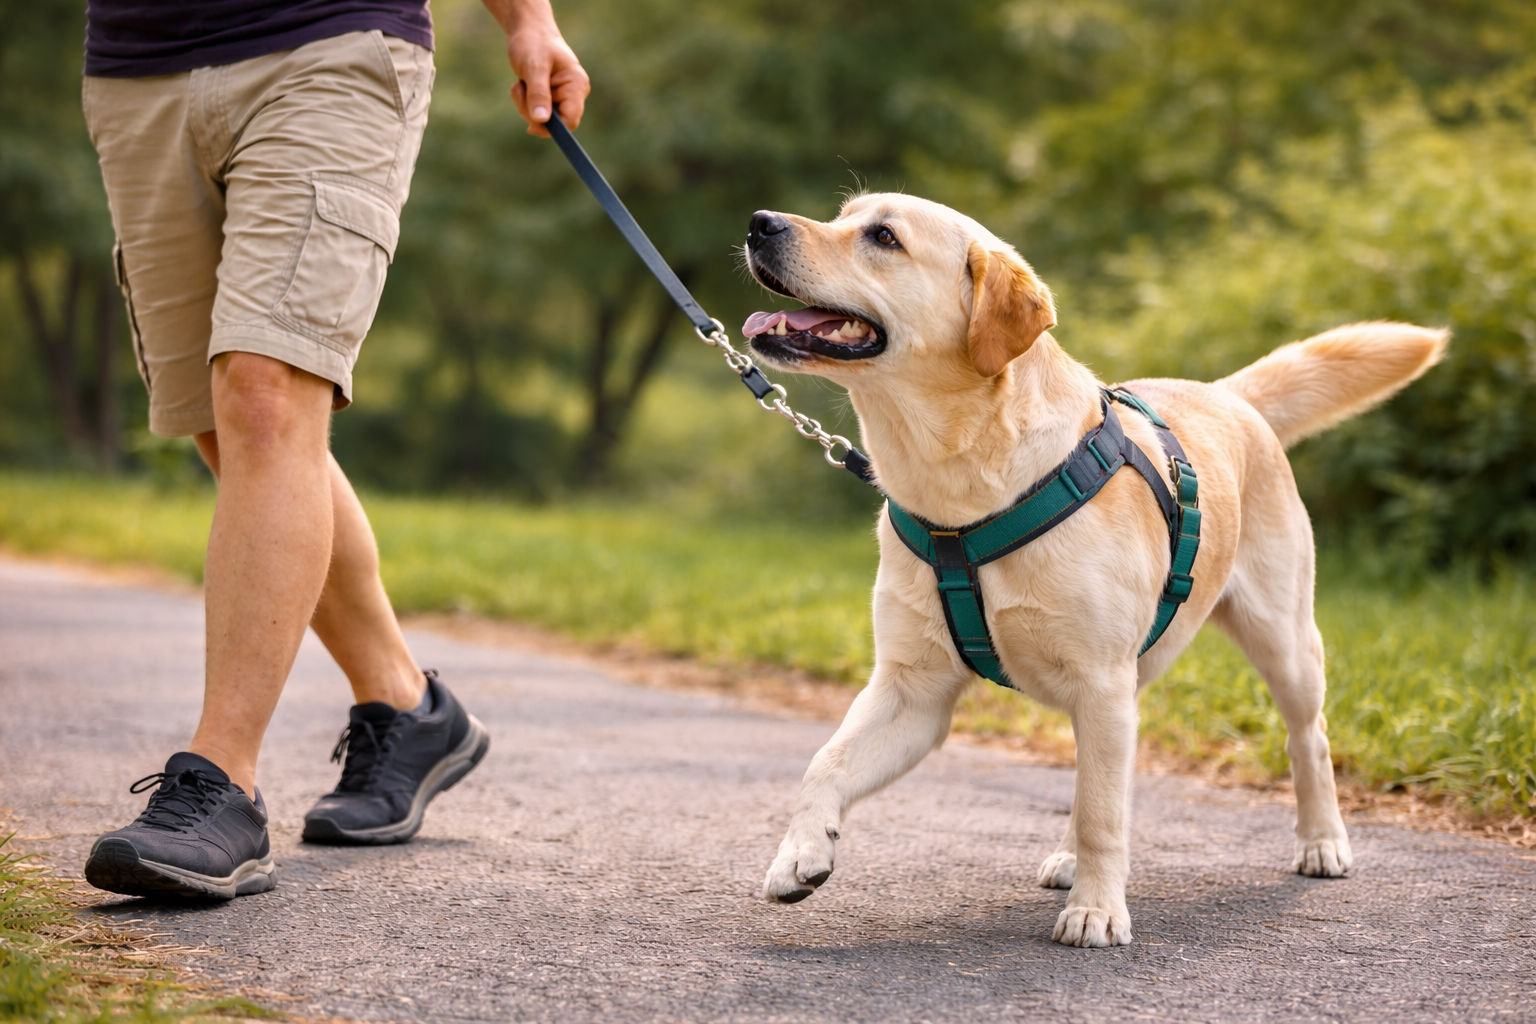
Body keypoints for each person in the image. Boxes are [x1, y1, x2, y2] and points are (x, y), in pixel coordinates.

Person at [78, 0, 590, 899]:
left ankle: (221, 781)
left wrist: (527, 19)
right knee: (219, 422)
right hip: (136, 65)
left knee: (266, 395)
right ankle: (404, 705)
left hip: (331, 39)